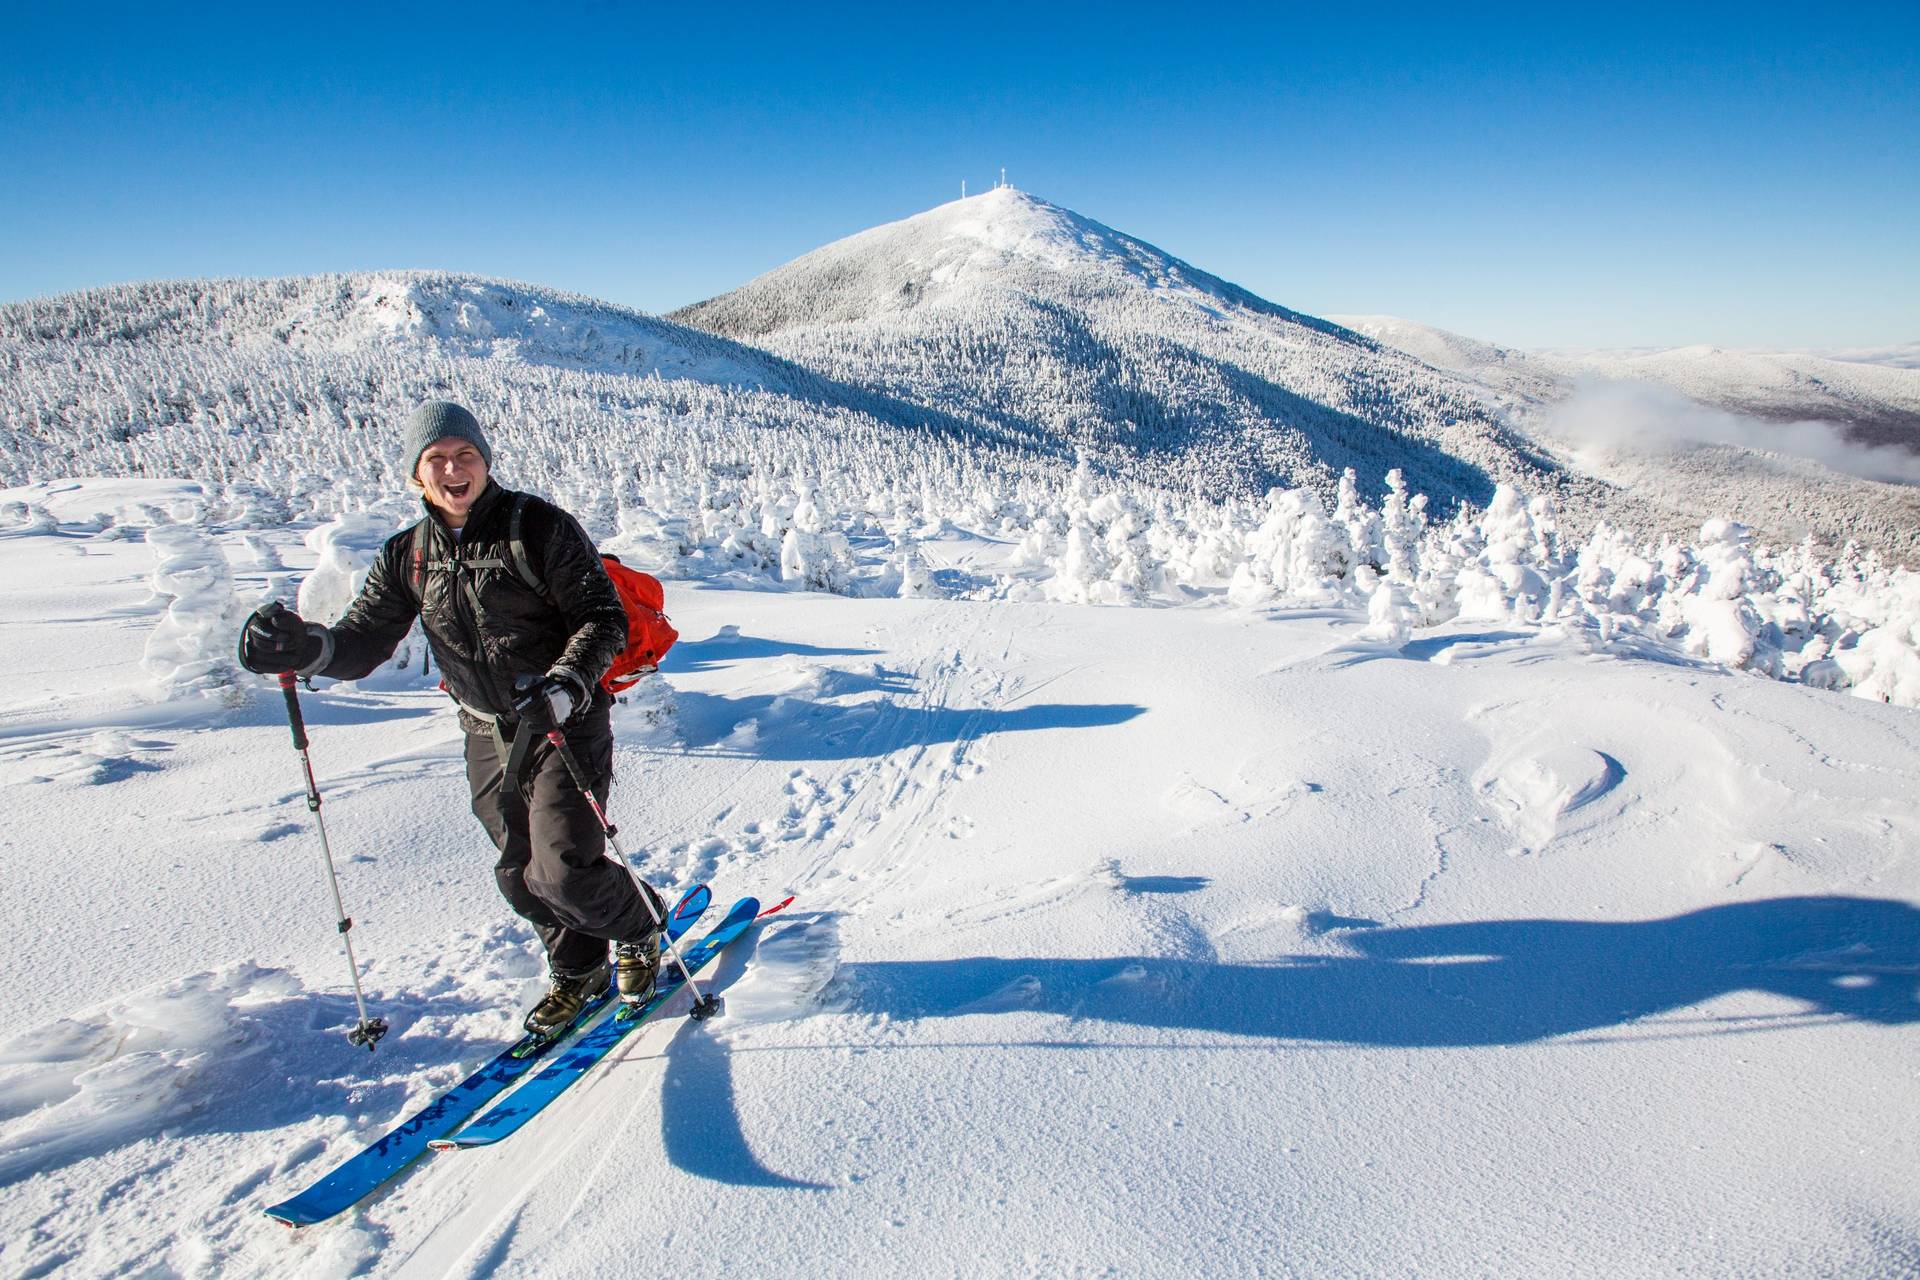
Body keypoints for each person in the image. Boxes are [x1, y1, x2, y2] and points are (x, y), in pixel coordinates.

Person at [237, 399, 665, 1037]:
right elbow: (362, 641)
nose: (454, 469)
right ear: (417, 475)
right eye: (436, 459)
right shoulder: (407, 555)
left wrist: (566, 683)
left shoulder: (539, 528)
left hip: (561, 722)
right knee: (519, 876)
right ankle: (579, 969)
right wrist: (307, 649)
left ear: (486, 461)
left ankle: (640, 929)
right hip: (486, 730)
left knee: (563, 869)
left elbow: (601, 619)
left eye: (466, 455)